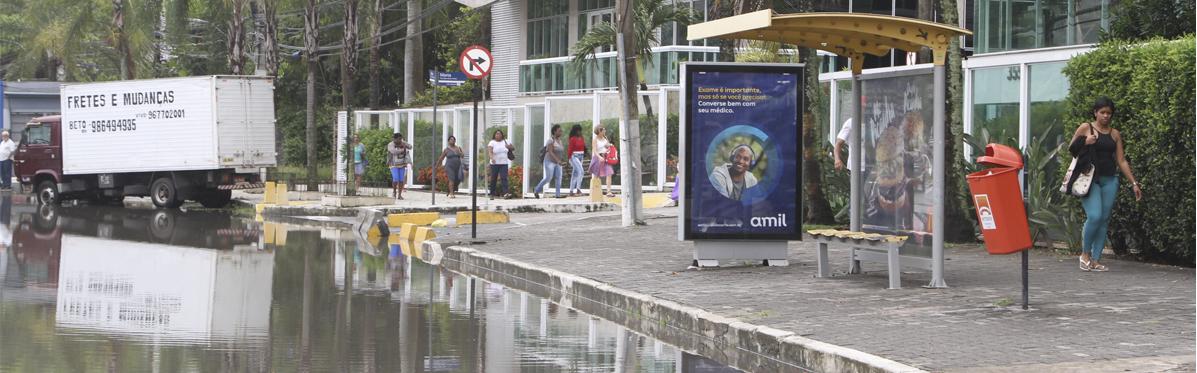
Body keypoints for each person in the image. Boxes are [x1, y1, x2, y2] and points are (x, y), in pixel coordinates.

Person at [1070, 97, 1141, 272]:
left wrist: (1134, 183)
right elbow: (1071, 148)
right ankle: (1085, 255)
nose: (1106, 116)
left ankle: (1095, 260)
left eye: (1109, 113)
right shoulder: (1086, 127)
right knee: (1094, 216)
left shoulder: (1115, 134)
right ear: (1095, 112)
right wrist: (1084, 141)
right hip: (1090, 178)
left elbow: (1121, 160)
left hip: (1110, 179)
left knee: (1103, 220)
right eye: (1102, 112)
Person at [534, 125, 565, 198]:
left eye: (561, 131)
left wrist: (562, 160)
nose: (561, 132)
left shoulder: (560, 141)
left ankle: (558, 195)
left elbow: (560, 152)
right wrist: (558, 160)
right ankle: (536, 189)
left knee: (559, 177)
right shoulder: (550, 140)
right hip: (549, 161)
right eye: (559, 131)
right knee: (548, 178)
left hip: (558, 162)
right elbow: (550, 152)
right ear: (554, 132)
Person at [588, 126, 616, 197]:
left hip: (606, 157)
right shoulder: (595, 140)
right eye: (603, 130)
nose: (605, 131)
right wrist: (599, 157)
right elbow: (594, 150)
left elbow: (608, 147)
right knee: (597, 175)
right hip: (598, 158)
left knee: (609, 173)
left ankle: (609, 191)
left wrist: (609, 146)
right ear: (599, 131)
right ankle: (595, 191)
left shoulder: (605, 138)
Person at [486, 129, 514, 199]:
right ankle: (492, 194)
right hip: (494, 163)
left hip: (504, 163)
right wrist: (492, 158)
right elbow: (490, 152)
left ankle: (506, 193)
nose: (498, 135)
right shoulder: (492, 142)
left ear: (502, 135)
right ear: (494, 135)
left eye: (499, 134)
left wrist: (509, 147)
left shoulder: (506, 141)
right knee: (493, 178)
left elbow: (513, 148)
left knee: (504, 178)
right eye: (497, 134)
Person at [387, 132, 412, 200]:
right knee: (396, 178)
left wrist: (404, 144)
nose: (399, 141)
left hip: (402, 164)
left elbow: (410, 147)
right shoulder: (390, 144)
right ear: (394, 139)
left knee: (401, 180)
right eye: (398, 139)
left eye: (400, 139)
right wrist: (402, 149)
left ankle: (399, 195)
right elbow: (393, 151)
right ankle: (394, 191)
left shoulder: (402, 142)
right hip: (393, 164)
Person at [566, 125, 587, 197]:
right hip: (574, 156)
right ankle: (578, 189)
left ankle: (571, 191)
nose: (579, 132)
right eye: (578, 130)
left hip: (581, 156)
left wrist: (587, 153)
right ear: (575, 131)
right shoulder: (572, 139)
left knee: (575, 174)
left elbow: (584, 147)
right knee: (581, 171)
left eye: (580, 130)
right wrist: (568, 159)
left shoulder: (582, 138)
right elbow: (570, 149)